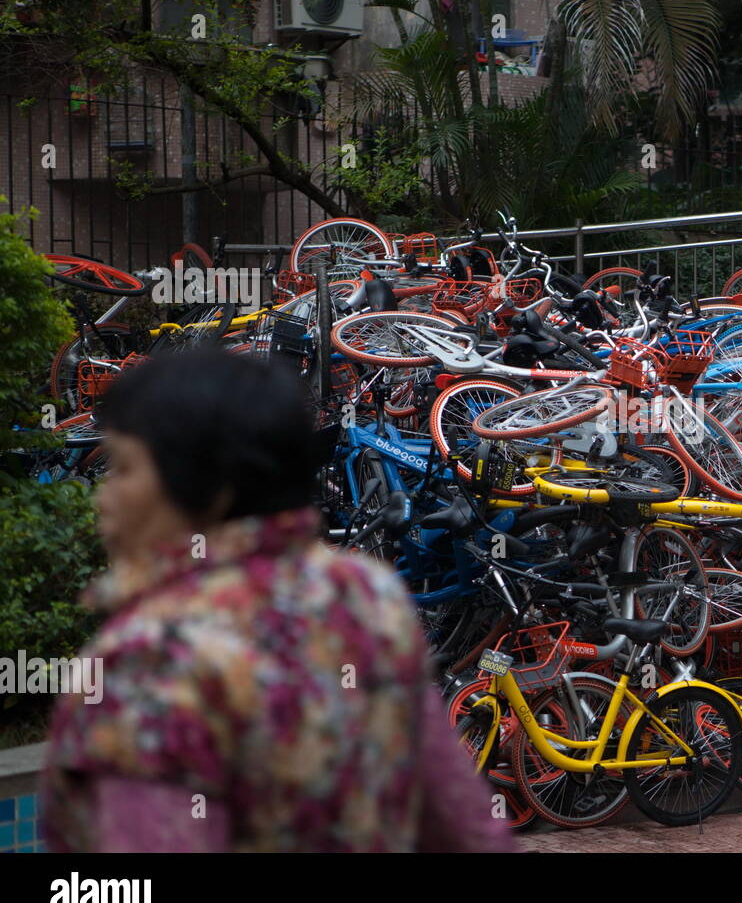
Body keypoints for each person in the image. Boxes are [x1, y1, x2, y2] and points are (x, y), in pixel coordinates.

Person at [40, 349, 514, 852]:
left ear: (209, 488)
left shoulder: (152, 655)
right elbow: (464, 825)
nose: (103, 498)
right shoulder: (361, 594)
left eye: (125, 469)